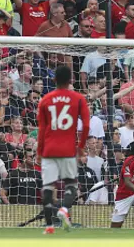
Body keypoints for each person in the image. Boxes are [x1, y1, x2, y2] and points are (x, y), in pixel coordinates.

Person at [37, 65, 90, 234]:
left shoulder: (45, 99)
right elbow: (86, 125)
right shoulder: (79, 98)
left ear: (54, 80)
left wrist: (39, 152)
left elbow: (42, 129)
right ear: (71, 80)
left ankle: (49, 226)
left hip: (49, 149)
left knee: (48, 186)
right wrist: (80, 147)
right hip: (67, 149)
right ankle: (64, 209)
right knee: (71, 184)